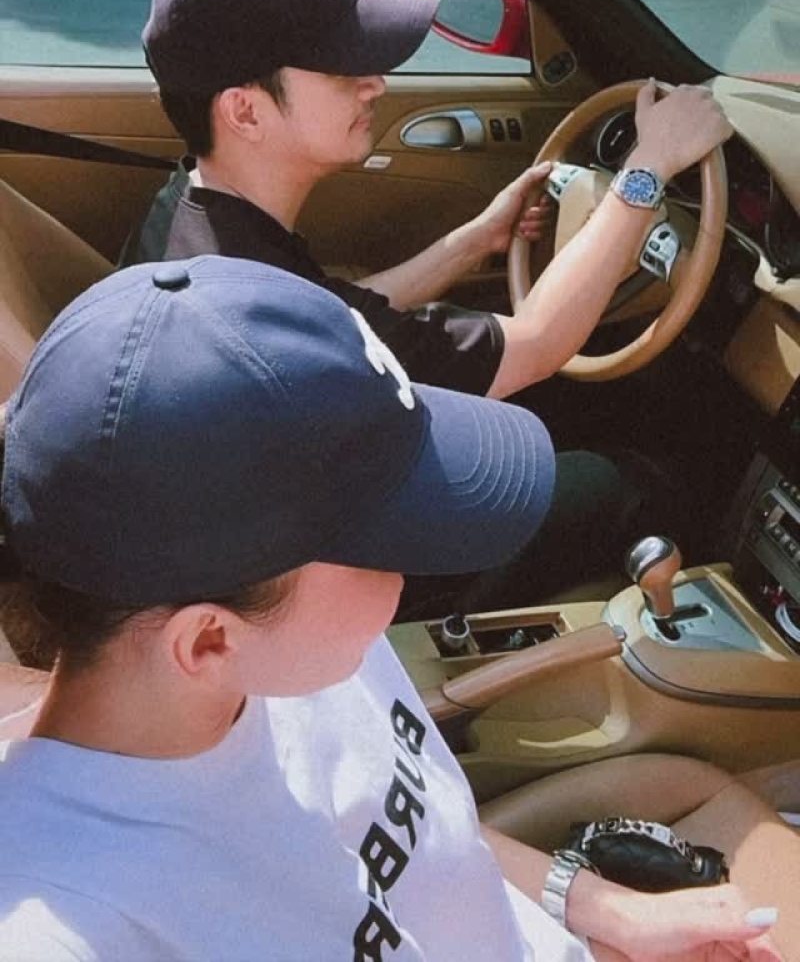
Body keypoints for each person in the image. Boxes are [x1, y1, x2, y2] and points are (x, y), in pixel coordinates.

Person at [0, 256, 780, 961]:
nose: (414, 561)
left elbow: (413, 851)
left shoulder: (292, 659)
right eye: (381, 540)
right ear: (208, 640)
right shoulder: (75, 931)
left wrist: (606, 912)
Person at [122, 0, 733, 611]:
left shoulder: (197, 214)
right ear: (245, 110)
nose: (376, 83)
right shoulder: (257, 315)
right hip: (341, 571)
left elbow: (337, 313)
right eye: (343, 67)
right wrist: (648, 169)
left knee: (576, 410)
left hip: (299, 502)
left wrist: (473, 242)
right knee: (637, 483)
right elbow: (536, 344)